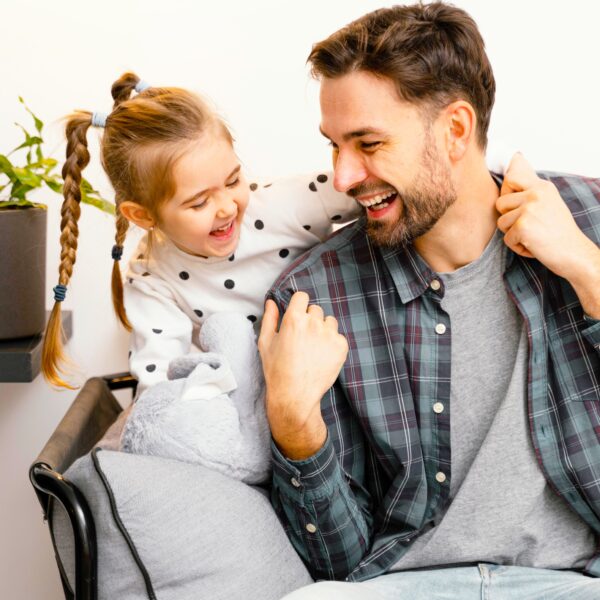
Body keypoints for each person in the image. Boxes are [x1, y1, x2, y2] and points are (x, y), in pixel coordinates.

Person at [257, 3, 600, 598]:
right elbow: (337, 562)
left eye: (368, 143)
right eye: (335, 145)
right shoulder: (315, 297)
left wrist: (586, 268)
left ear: (456, 130)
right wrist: (293, 424)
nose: (343, 177)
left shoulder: (587, 221)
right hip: (407, 586)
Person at [41, 72, 358, 393]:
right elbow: (159, 382)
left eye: (233, 181)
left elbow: (368, 188)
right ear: (143, 215)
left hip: (345, 367)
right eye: (199, 202)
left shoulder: (282, 203)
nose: (226, 208)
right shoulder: (153, 279)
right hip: (254, 400)